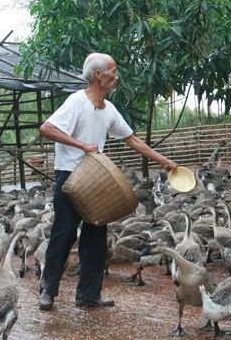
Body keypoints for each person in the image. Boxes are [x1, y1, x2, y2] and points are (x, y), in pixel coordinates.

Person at [38, 52, 178, 310]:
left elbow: (132, 140)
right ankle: (48, 290)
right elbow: (47, 128)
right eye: (113, 71)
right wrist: (81, 145)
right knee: (64, 233)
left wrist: (164, 161)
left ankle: (89, 295)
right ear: (98, 75)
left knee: (96, 234)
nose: (116, 76)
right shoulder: (76, 102)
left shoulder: (109, 110)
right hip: (70, 176)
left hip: (95, 179)